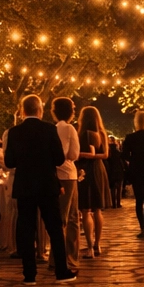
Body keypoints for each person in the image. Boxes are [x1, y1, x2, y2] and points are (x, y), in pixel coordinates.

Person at [5, 95, 74, 285]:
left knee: (26, 229)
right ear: (40, 110)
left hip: (25, 185)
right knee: (54, 228)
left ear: (22, 110)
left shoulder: (14, 132)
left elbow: (9, 162)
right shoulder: (49, 130)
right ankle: (61, 271)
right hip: (46, 184)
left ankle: (29, 275)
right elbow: (59, 159)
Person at [51, 98, 81, 268]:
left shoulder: (53, 128)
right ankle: (69, 257)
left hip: (56, 174)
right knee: (71, 219)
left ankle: (56, 258)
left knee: (59, 217)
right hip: (68, 175)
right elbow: (73, 154)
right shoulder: (69, 128)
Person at [77, 106, 110, 258]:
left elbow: (90, 154)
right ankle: (98, 244)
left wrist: (78, 154)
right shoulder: (102, 134)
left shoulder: (85, 134)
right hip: (99, 169)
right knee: (97, 208)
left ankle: (89, 246)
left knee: (85, 209)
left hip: (86, 170)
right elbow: (104, 155)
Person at [106, 134, 126, 208]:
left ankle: (113, 203)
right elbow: (123, 162)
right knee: (119, 188)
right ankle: (118, 203)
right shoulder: (118, 152)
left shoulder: (108, 153)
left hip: (111, 171)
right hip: (119, 171)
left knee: (112, 188)